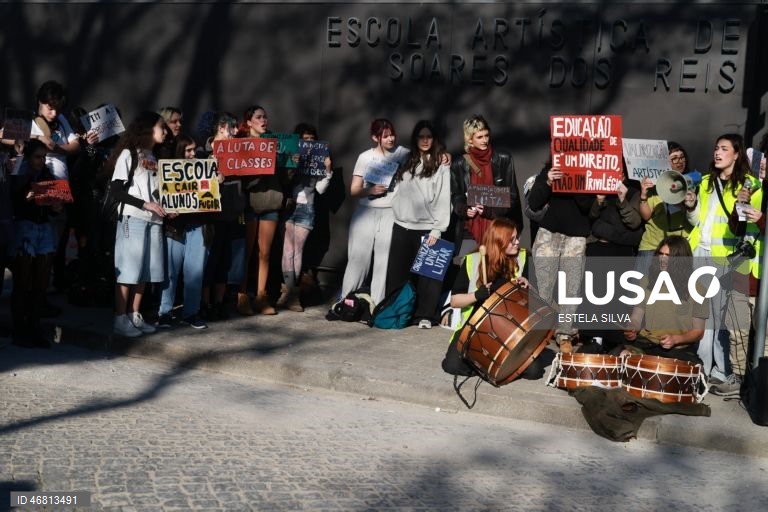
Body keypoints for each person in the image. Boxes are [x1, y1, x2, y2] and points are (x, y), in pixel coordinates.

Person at [687, 133, 763, 395]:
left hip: (726, 257)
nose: (717, 153)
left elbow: (744, 224)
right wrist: (691, 205)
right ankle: (702, 367)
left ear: (737, 154)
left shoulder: (750, 184)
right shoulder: (706, 181)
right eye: (716, 148)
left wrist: (743, 200)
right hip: (700, 252)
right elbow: (697, 219)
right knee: (700, 313)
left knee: (722, 318)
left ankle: (725, 369)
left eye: (724, 149)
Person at [444, 218, 543, 379]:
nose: (518, 242)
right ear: (499, 241)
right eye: (512, 240)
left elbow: (538, 300)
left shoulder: (525, 258)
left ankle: (489, 366)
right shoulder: (472, 260)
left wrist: (528, 286)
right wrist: (476, 295)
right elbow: (455, 301)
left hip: (512, 327)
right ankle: (487, 366)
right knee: (452, 365)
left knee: (534, 372)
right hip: (475, 325)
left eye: (517, 238)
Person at [385, 120, 450, 328]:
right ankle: (394, 312)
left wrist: (438, 229)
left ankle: (425, 316)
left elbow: (443, 197)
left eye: (428, 136)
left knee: (428, 278)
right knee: (397, 274)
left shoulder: (441, 164)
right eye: (421, 136)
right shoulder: (405, 159)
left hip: (428, 227)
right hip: (401, 225)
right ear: (415, 139)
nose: (425, 140)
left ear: (434, 139)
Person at [107, 111, 168, 337]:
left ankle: (134, 314)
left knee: (145, 271)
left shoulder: (154, 156)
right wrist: (145, 204)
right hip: (133, 218)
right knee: (128, 270)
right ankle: (120, 318)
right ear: (148, 129)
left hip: (154, 220)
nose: (165, 131)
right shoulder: (128, 154)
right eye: (162, 126)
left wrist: (165, 207)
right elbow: (116, 190)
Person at [339, 118, 409, 306]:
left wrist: (444, 155)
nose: (390, 139)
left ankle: (377, 304)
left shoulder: (403, 154)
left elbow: (428, 158)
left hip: (390, 213)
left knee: (383, 261)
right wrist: (370, 190)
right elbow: (354, 190)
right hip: (365, 212)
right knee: (357, 258)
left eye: (392, 134)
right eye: (385, 136)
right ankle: (346, 300)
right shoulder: (365, 157)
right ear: (374, 137)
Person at [527, 160, 593, 353]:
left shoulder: (590, 170)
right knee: (542, 287)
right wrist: (548, 181)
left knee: (571, 289)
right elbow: (533, 202)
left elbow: (587, 205)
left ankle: (565, 334)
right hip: (548, 232)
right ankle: (538, 333)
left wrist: (574, 182)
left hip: (576, 235)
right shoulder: (551, 167)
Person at [618, 236, 706, 364]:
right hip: (646, 343)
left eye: (668, 256)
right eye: (661, 254)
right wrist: (632, 328)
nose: (662, 259)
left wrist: (676, 339)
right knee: (622, 356)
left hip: (677, 349)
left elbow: (698, 332)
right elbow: (636, 317)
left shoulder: (698, 289)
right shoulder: (646, 282)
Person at [8, 139, 62, 347]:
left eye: (44, 157)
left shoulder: (47, 174)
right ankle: (19, 330)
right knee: (22, 282)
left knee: (41, 283)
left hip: (44, 228)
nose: (42, 161)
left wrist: (55, 207)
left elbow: (52, 202)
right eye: (38, 157)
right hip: (24, 228)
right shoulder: (19, 172)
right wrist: (26, 196)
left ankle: (34, 327)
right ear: (29, 157)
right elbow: (12, 198)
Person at [276, 123, 333, 312]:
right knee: (287, 250)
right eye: (304, 139)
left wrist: (328, 171)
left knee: (296, 250)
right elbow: (283, 180)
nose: (308, 142)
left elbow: (321, 189)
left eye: (311, 139)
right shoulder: (292, 157)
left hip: (307, 208)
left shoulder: (318, 160)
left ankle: (291, 294)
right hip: (289, 207)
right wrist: (292, 163)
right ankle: (290, 292)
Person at [156, 134, 210, 329]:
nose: (192, 154)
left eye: (194, 150)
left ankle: (191, 313)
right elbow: (158, 195)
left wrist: (216, 179)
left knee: (195, 272)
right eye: (188, 150)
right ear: (179, 151)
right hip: (174, 228)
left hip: (198, 226)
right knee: (170, 272)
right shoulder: (167, 170)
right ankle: (164, 312)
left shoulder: (204, 169)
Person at [449, 115, 522, 255]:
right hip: (470, 229)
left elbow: (512, 197)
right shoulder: (459, 164)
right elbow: (456, 196)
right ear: (470, 139)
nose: (485, 140)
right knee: (472, 271)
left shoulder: (503, 159)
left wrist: (489, 211)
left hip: (498, 228)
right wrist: (464, 209)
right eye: (479, 137)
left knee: (498, 272)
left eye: (486, 135)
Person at [200, 112, 244, 321]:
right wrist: (212, 171)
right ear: (222, 128)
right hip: (211, 216)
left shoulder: (238, 151)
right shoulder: (203, 151)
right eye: (233, 129)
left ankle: (219, 303)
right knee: (211, 261)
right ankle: (205, 304)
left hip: (232, 214)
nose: (236, 133)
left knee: (226, 262)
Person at [237, 105, 280, 315]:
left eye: (266, 117)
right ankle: (242, 295)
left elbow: (285, 178)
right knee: (246, 252)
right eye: (259, 117)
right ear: (249, 122)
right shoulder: (240, 144)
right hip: (250, 204)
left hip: (270, 203)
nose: (264, 120)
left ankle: (261, 296)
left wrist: (289, 163)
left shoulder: (275, 143)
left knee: (265, 253)